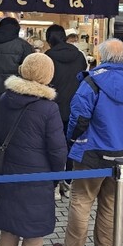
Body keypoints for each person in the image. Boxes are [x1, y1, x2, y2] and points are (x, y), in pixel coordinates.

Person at [52, 38, 123, 246]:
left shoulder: (92, 82)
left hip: (92, 153)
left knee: (81, 201)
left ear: (102, 57)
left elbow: (79, 118)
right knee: (111, 203)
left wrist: (71, 142)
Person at [0, 53, 67, 246]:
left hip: (8, 173)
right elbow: (58, 150)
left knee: (8, 230)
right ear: (48, 75)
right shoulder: (48, 108)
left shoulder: (6, 98)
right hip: (38, 178)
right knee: (33, 235)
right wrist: (55, 177)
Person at [44, 24, 87, 199]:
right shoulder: (79, 56)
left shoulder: (47, 57)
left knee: (53, 148)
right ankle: (68, 184)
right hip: (75, 110)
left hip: (52, 109)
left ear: (49, 40)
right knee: (71, 147)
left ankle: (54, 185)